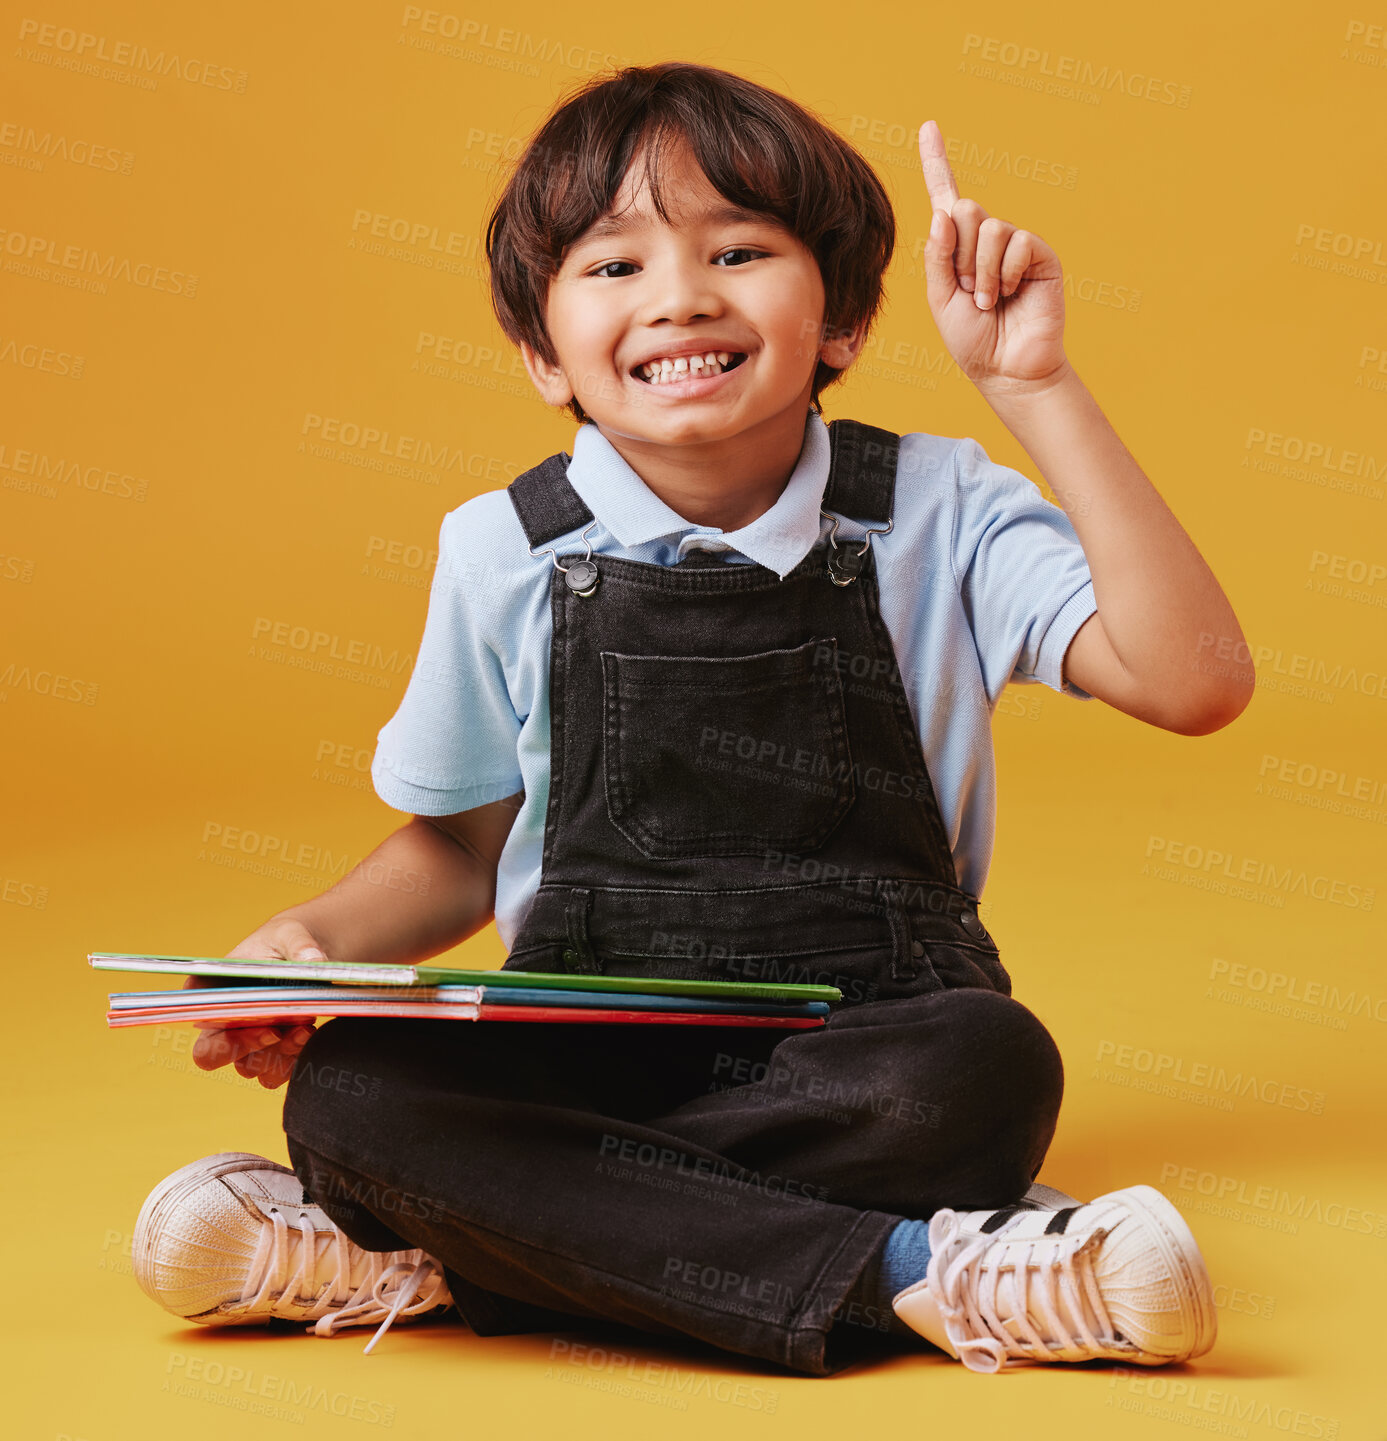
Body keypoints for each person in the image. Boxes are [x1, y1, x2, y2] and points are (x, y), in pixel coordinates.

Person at [130, 62, 1254, 1377]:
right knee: (357, 1086)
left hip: (858, 1048)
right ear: (543, 349)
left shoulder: (939, 508)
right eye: (614, 266)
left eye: (738, 248)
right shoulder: (502, 547)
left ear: (837, 314)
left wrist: (1037, 386)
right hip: (581, 1045)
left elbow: (1194, 680)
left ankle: (452, 1246)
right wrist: (309, 944)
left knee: (987, 1068)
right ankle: (925, 1272)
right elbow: (456, 850)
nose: (681, 296)